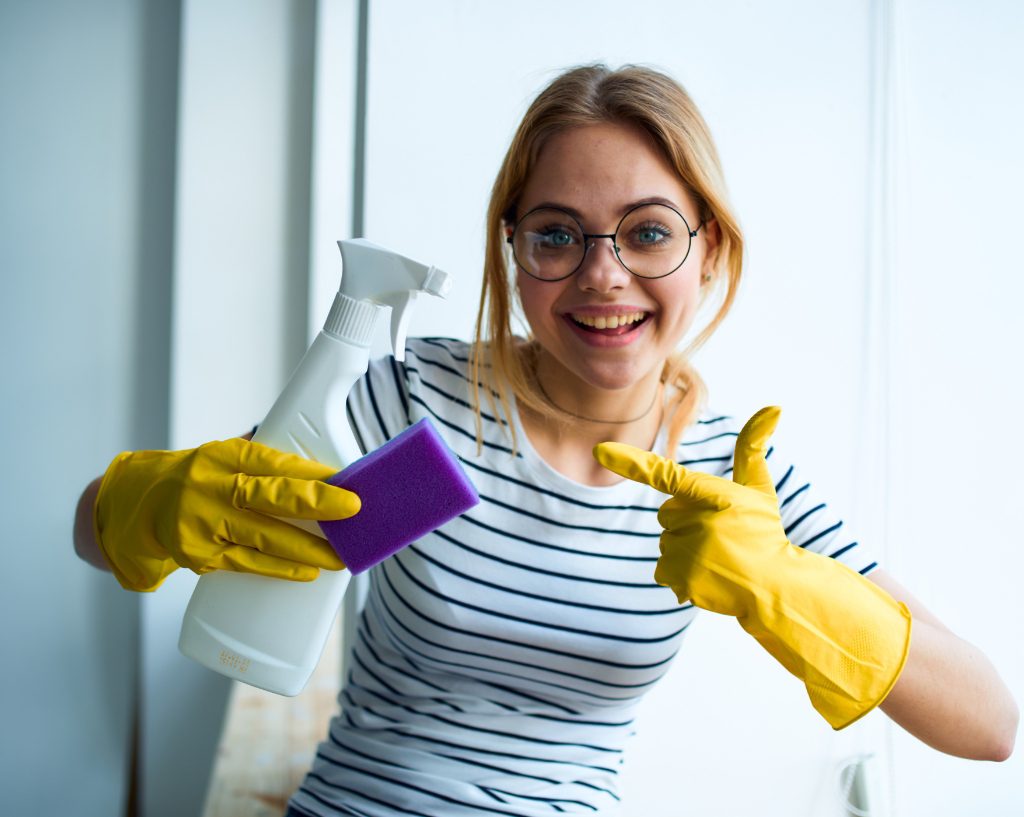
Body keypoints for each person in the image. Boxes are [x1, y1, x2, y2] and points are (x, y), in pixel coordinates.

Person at [74, 64, 1017, 816]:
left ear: (711, 249)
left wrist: (787, 588)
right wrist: (145, 507)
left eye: (648, 233)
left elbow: (989, 721)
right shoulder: (425, 413)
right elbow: (96, 532)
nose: (603, 276)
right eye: (558, 236)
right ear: (512, 251)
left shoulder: (730, 483)